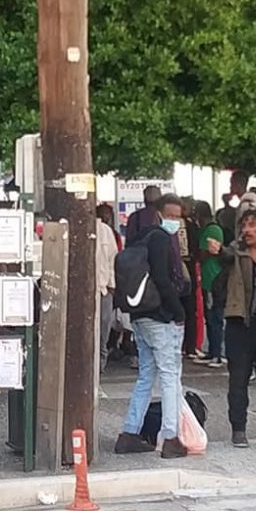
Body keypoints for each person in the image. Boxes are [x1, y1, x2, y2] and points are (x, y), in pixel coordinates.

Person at [114, 194, 188, 459]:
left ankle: (129, 432)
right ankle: (171, 437)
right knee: (170, 375)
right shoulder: (160, 239)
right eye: (170, 215)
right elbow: (162, 278)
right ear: (158, 214)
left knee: (146, 374)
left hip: (139, 315)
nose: (175, 221)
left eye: (178, 216)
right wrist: (178, 311)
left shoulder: (138, 238)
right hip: (160, 317)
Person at [209, 209, 256, 450]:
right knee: (237, 381)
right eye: (244, 226)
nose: (248, 230)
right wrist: (219, 250)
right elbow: (226, 255)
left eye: (253, 225)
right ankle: (238, 429)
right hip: (239, 324)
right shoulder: (236, 253)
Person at [196, 201, 226, 368]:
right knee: (209, 317)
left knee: (215, 317)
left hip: (213, 278)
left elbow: (204, 254)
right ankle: (212, 351)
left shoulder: (211, 230)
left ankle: (217, 354)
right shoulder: (210, 229)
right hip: (209, 277)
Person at [96, 203, 119, 372]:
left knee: (104, 325)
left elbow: (113, 259)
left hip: (103, 288)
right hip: (88, 289)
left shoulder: (105, 231)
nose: (106, 218)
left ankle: (101, 361)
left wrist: (112, 285)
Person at [180, 197, 200, 358]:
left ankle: (190, 345)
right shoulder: (168, 225)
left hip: (189, 265)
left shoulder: (192, 225)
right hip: (179, 265)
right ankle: (184, 345)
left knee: (190, 307)